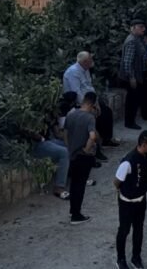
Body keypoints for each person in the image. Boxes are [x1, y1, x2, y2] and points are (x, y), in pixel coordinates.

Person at [63, 51, 117, 158]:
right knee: (92, 118)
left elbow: (89, 86)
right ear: (84, 62)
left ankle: (106, 139)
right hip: (78, 103)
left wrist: (95, 102)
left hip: (89, 99)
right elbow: (77, 92)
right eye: (90, 60)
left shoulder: (86, 70)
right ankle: (96, 150)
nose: (92, 61)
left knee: (106, 111)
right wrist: (89, 106)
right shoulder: (73, 72)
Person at [115, 130, 147, 269]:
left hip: (140, 201)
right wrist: (125, 191)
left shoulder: (146, 155)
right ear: (144, 144)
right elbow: (117, 181)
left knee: (138, 229)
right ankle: (121, 259)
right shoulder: (128, 161)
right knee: (124, 230)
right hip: (127, 203)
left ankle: (136, 257)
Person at [64, 91, 98, 225]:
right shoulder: (90, 118)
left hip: (72, 154)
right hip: (83, 156)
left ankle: (73, 210)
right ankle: (76, 215)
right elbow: (92, 136)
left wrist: (69, 147)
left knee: (74, 184)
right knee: (80, 185)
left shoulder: (71, 115)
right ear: (92, 104)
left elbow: (65, 133)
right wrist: (86, 149)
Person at [121, 20, 147, 130]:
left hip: (139, 74)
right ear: (132, 28)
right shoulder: (132, 41)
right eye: (140, 27)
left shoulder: (139, 39)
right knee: (132, 99)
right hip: (133, 76)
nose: (143, 29)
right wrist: (131, 77)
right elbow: (128, 62)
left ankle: (142, 116)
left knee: (138, 97)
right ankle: (129, 122)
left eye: (144, 27)